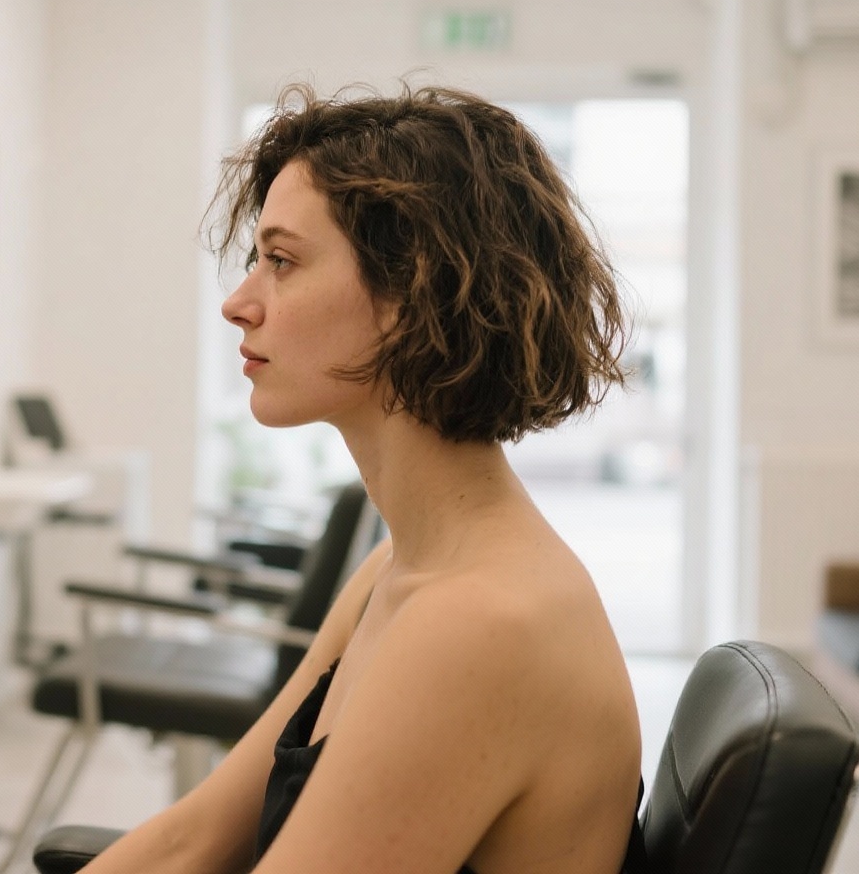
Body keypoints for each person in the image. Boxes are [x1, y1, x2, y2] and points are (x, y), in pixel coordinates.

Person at [84, 84, 645, 874]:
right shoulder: (402, 567)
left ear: (414, 293)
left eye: (280, 261)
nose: (239, 304)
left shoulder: (480, 623)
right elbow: (194, 839)